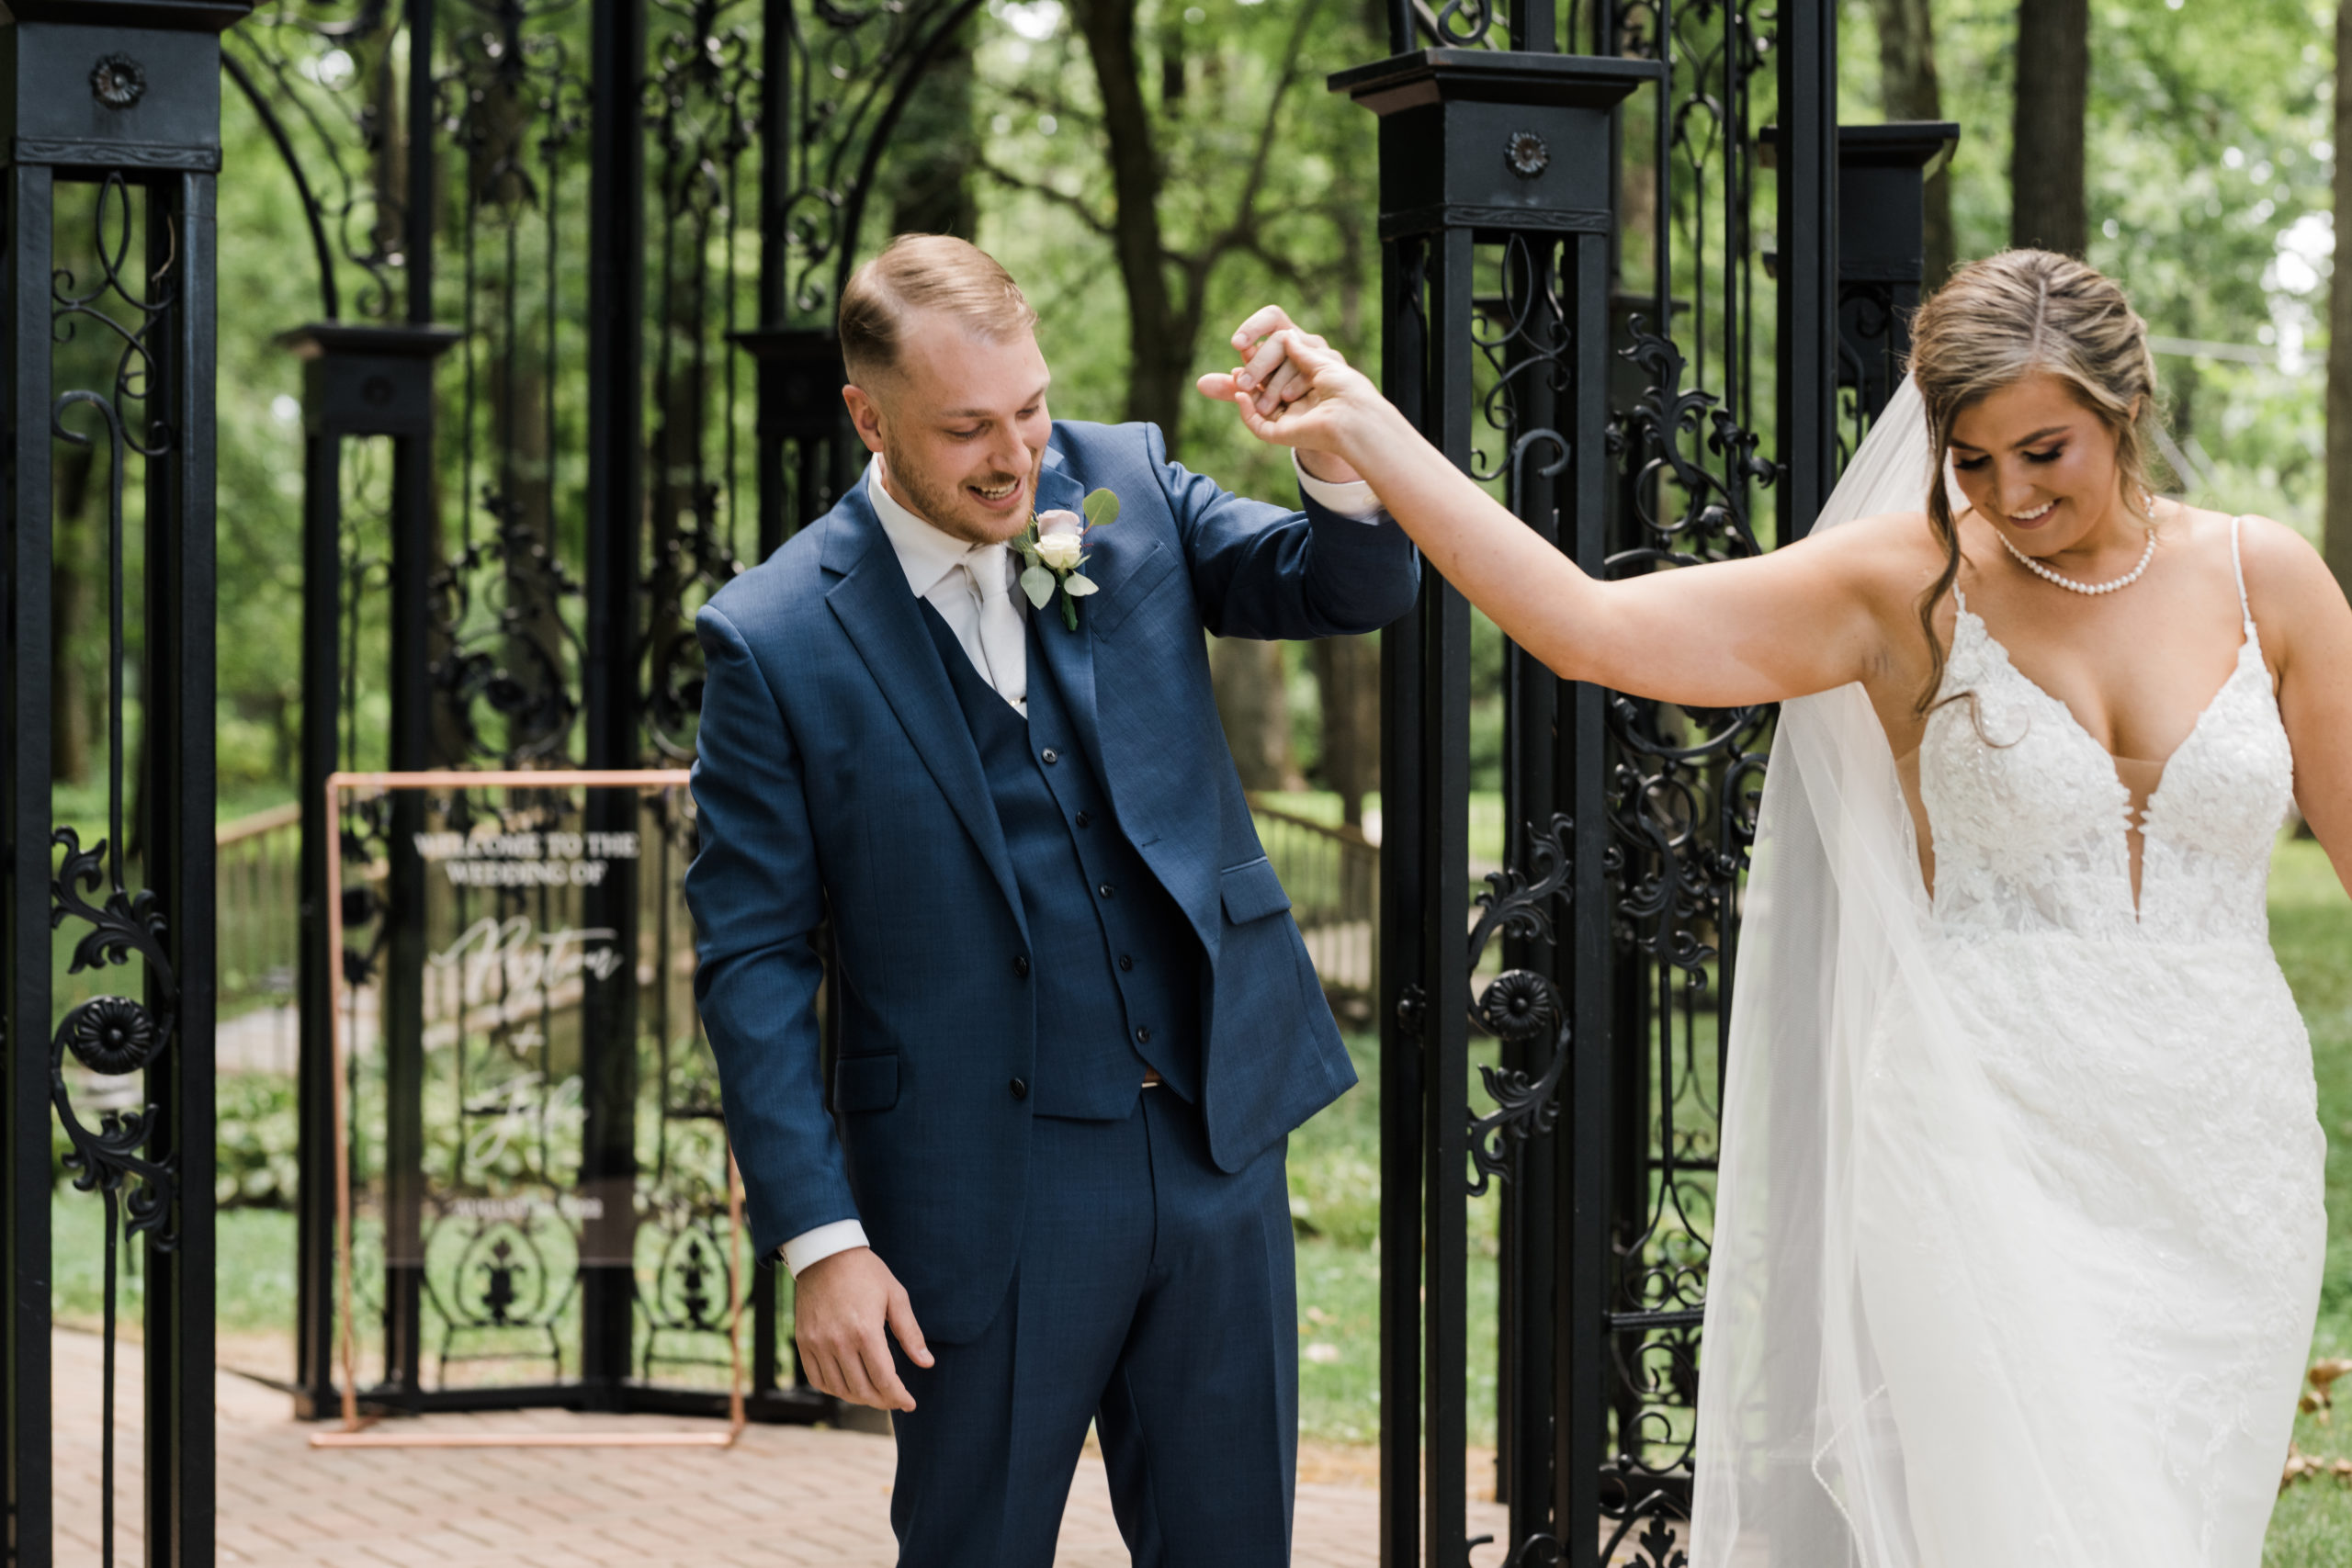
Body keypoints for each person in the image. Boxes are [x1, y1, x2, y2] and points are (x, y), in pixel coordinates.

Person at [1202, 249, 2352, 1563]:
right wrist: (1369, 427)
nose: (2011, 495)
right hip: (1984, 1140)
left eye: (2045, 451)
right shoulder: (1897, 586)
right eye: (1970, 461)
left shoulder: (2274, 582)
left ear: (2127, 407)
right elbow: (1586, 626)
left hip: (2226, 1164)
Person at [685, 233, 1418, 1566]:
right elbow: (750, 958)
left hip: (1214, 1146)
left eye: (1027, 407)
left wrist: (1332, 457)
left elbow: (1343, 587)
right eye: (966, 428)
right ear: (869, 415)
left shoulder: (1122, 485)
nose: (1017, 456)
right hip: (982, 1186)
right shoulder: (774, 636)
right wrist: (819, 1237)